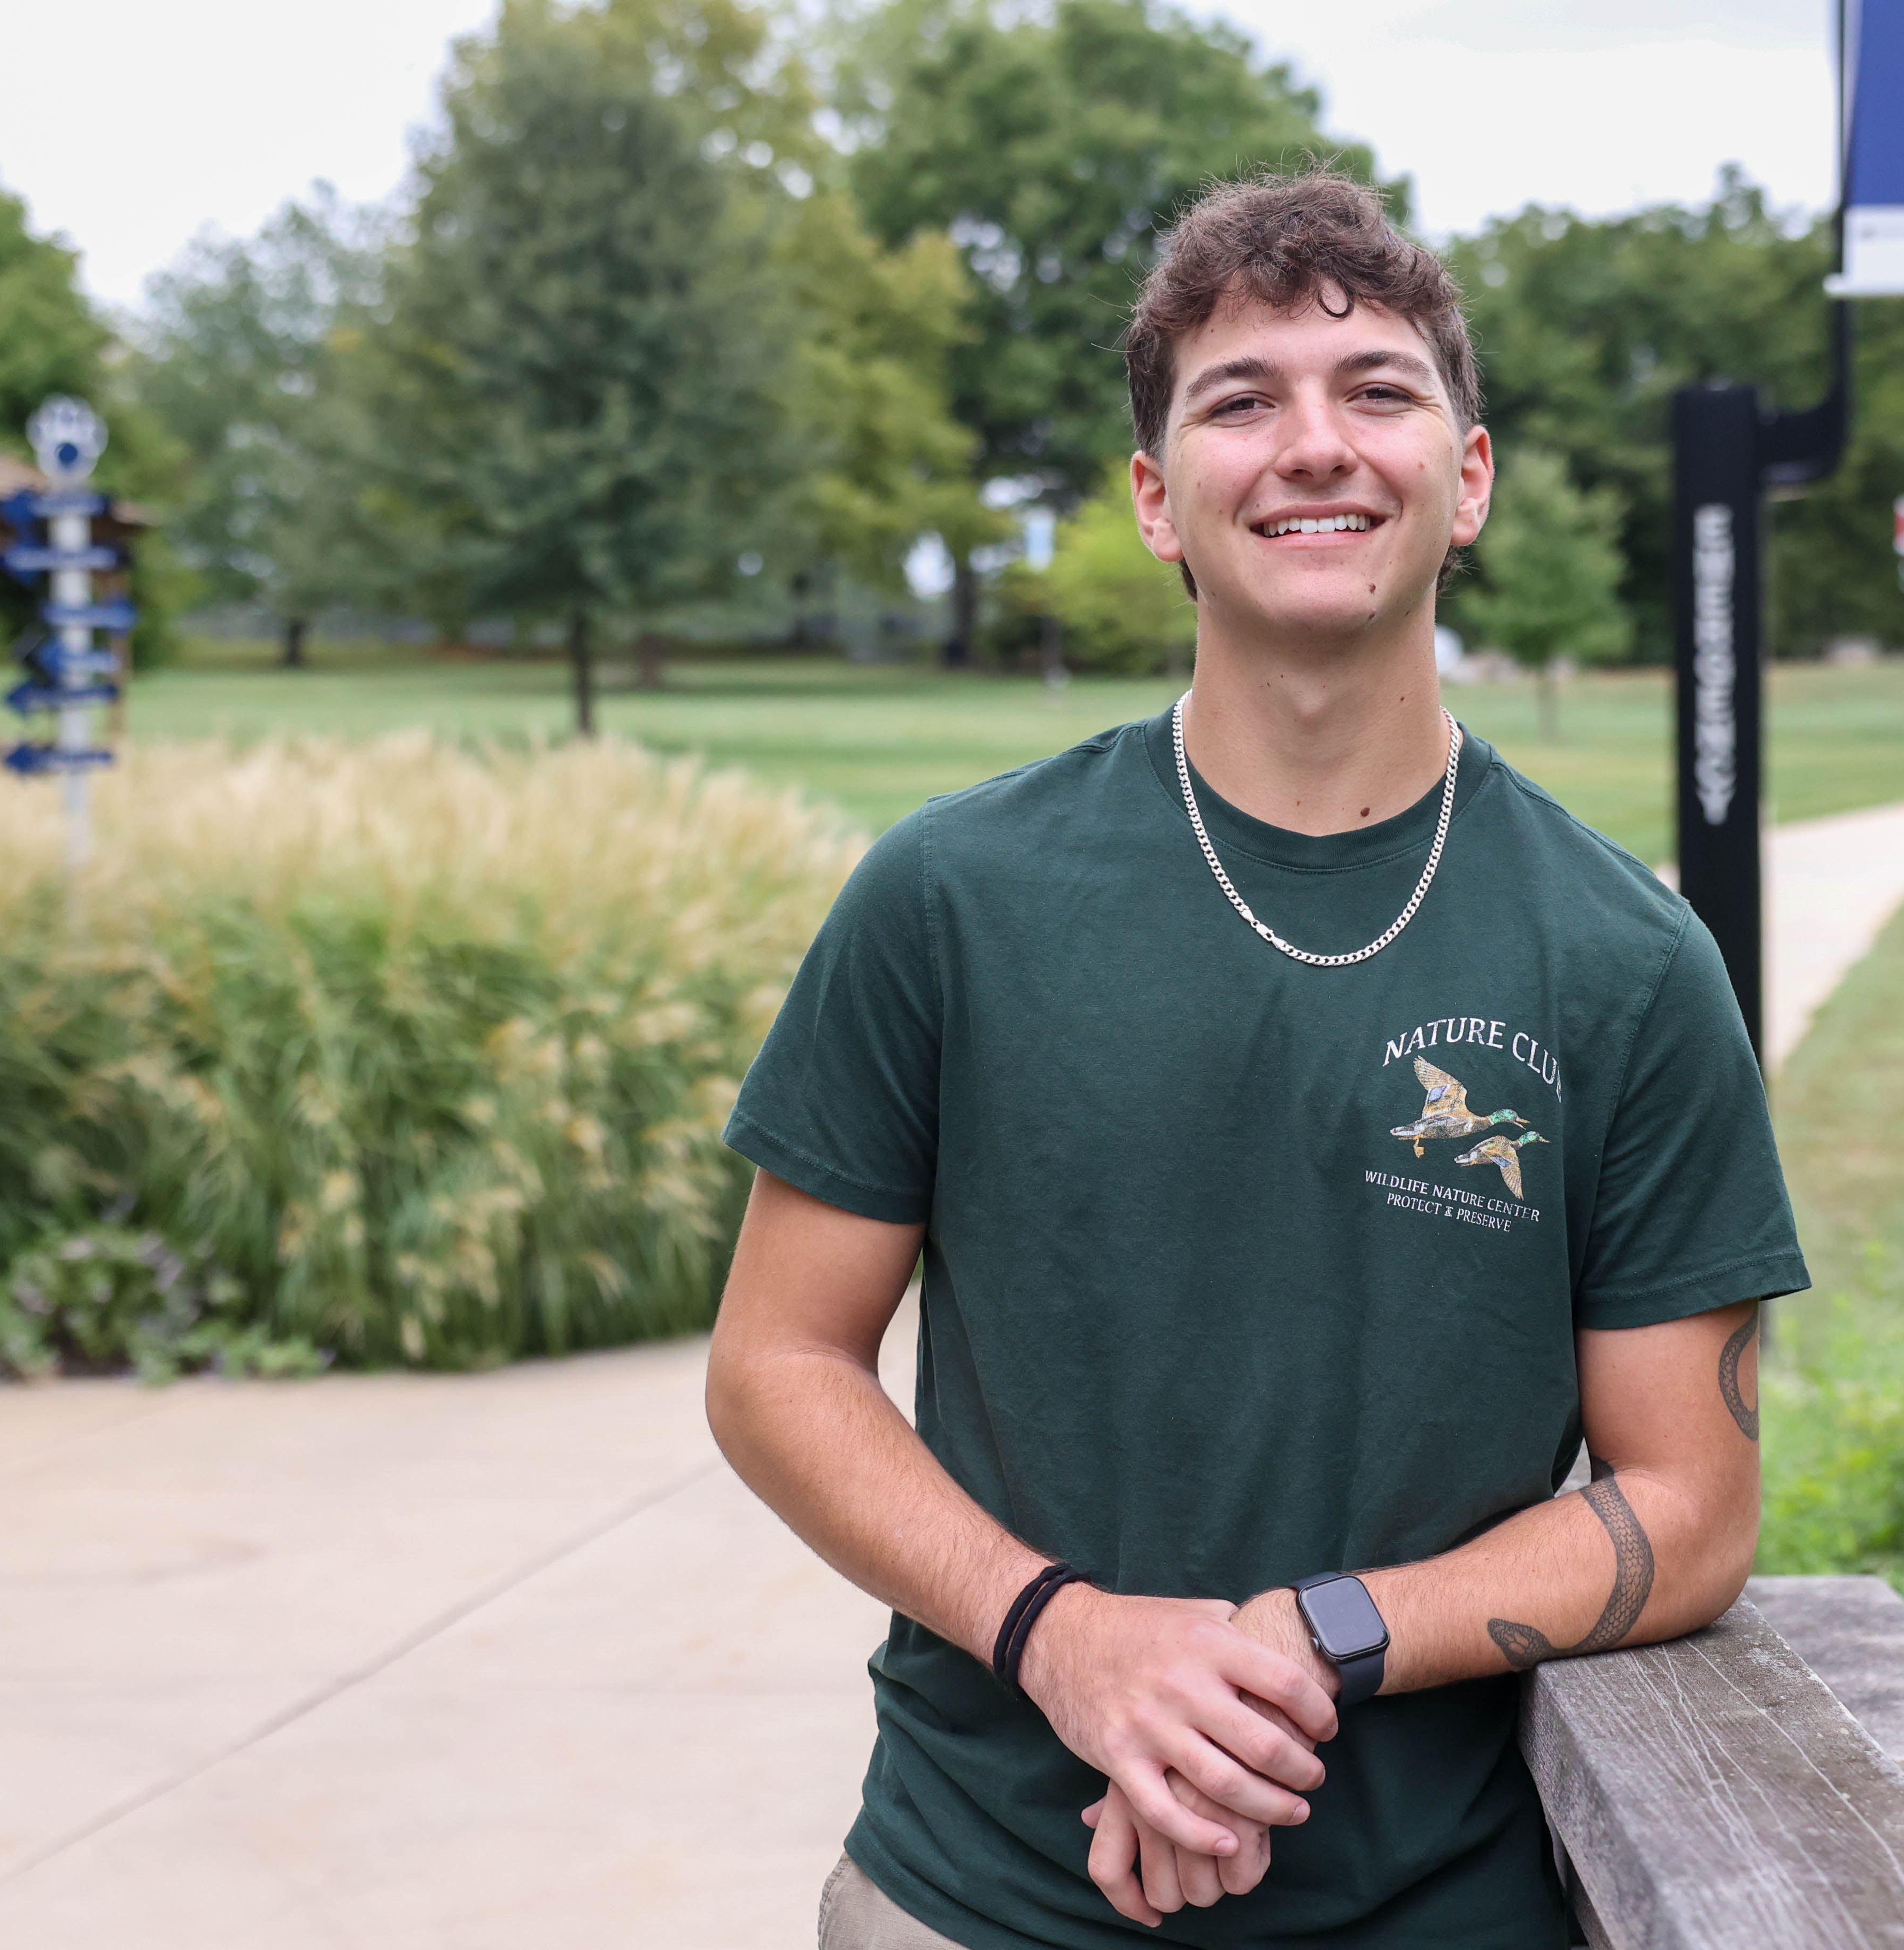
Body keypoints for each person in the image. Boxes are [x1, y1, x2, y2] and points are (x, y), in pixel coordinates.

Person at [706, 168, 1807, 1950]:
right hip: (979, 1896)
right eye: (1241, 400)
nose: (1315, 444)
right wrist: (1068, 1638)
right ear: (1157, 499)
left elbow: (1693, 1509)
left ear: (1470, 479)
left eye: (1378, 389)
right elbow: (776, 1361)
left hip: (1434, 1909)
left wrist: (1309, 1638)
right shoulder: (954, 898)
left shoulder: (1623, 963)